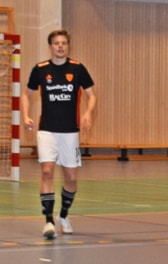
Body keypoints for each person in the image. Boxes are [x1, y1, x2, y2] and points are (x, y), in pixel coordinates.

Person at [22, 29, 96, 240]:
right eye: (56, 43)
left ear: (68, 46)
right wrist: (26, 115)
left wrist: (88, 113)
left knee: (71, 178)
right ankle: (48, 221)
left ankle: (63, 216)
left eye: (64, 43)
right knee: (47, 171)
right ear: (51, 46)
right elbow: (27, 95)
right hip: (47, 130)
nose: (60, 46)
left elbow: (92, 95)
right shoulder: (40, 69)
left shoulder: (78, 68)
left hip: (70, 132)